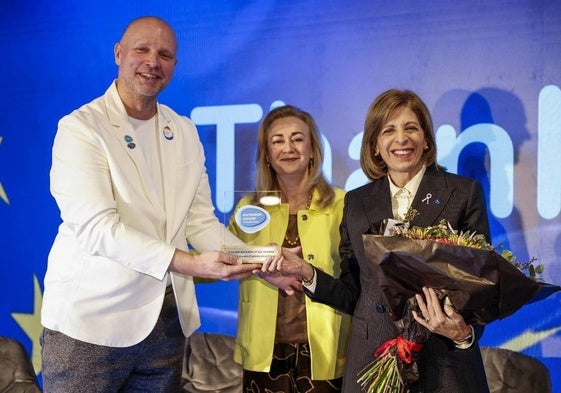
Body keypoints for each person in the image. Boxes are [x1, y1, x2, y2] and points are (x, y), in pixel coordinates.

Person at [40, 16, 260, 392]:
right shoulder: (80, 128)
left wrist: (262, 260)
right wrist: (189, 262)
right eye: (142, 49)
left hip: (164, 324)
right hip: (90, 327)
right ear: (119, 53)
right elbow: (98, 229)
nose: (152, 61)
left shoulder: (184, 130)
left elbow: (201, 223)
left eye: (165, 54)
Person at [264, 90, 491, 392]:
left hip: (445, 363)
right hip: (371, 363)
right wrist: (306, 273)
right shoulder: (357, 202)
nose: (401, 139)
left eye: (411, 128)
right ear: (374, 146)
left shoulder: (462, 194)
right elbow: (353, 292)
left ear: (426, 141)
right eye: (389, 130)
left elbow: (482, 287)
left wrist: (463, 333)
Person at [229, 105, 352, 392]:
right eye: (277, 140)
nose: (288, 147)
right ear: (267, 155)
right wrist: (173, 261)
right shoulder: (248, 207)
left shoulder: (343, 204)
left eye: (298, 139)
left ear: (312, 150)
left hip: (325, 349)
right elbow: (223, 261)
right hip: (264, 353)